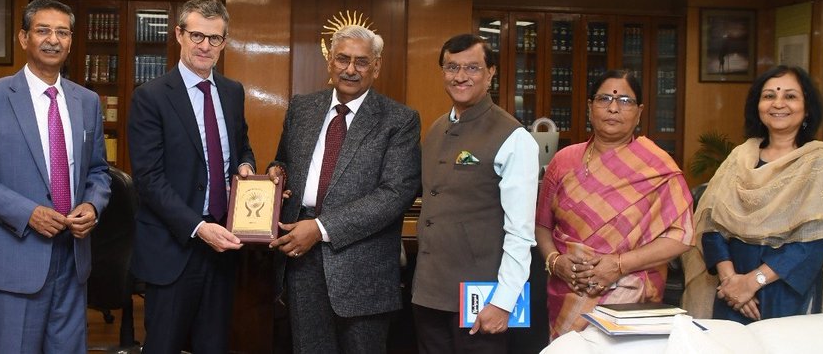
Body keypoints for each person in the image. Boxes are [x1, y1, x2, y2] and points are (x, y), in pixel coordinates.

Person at [0, 0, 111, 352]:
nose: (52, 40)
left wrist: (93, 204)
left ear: (71, 41)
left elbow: (99, 170)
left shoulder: (87, 101)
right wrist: (28, 213)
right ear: (24, 38)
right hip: (15, 257)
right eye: (43, 30)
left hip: (73, 259)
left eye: (62, 32)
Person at [268, 24, 421, 354]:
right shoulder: (302, 108)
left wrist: (321, 228)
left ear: (376, 66)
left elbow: (396, 193)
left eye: (362, 62)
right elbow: (283, 162)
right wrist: (275, 176)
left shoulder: (399, 120)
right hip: (301, 259)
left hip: (363, 267)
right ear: (330, 62)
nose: (350, 69)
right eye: (343, 59)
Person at [682, 66, 823, 323]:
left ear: (807, 108)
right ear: (758, 105)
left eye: (790, 96)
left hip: (787, 289)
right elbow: (711, 225)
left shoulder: (820, 162)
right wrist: (731, 280)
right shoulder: (739, 158)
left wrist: (753, 282)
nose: (778, 103)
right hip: (730, 289)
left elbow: (815, 240)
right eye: (769, 96)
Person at [128, 0, 256, 354]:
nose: (205, 46)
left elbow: (241, 147)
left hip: (223, 247)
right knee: (164, 345)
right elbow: (149, 179)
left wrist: (245, 168)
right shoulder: (150, 97)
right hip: (174, 247)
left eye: (214, 38)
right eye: (197, 35)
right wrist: (199, 229)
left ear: (224, 43)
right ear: (179, 35)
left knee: (213, 345)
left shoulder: (232, 92)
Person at [536, 69, 694, 337]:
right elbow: (542, 226)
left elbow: (681, 236)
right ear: (590, 106)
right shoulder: (564, 161)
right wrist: (554, 261)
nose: (613, 108)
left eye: (625, 101)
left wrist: (619, 265)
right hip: (567, 293)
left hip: (632, 302)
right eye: (604, 99)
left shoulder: (657, 167)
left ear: (639, 111)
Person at [411, 34, 539, 353]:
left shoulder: (514, 138)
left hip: (483, 300)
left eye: (472, 67)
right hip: (429, 294)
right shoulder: (437, 128)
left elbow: (520, 232)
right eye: (452, 67)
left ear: (491, 72)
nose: (460, 76)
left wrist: (504, 302)